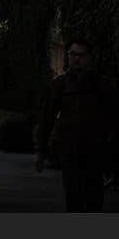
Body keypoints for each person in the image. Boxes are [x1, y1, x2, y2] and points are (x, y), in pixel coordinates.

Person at [35, 36, 117, 211]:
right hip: (69, 149)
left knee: (94, 197)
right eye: (73, 54)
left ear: (89, 57)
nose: (77, 59)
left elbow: (112, 117)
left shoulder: (101, 84)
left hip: (95, 149)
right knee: (73, 196)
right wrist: (41, 150)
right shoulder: (60, 84)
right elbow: (47, 117)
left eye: (81, 55)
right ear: (68, 56)